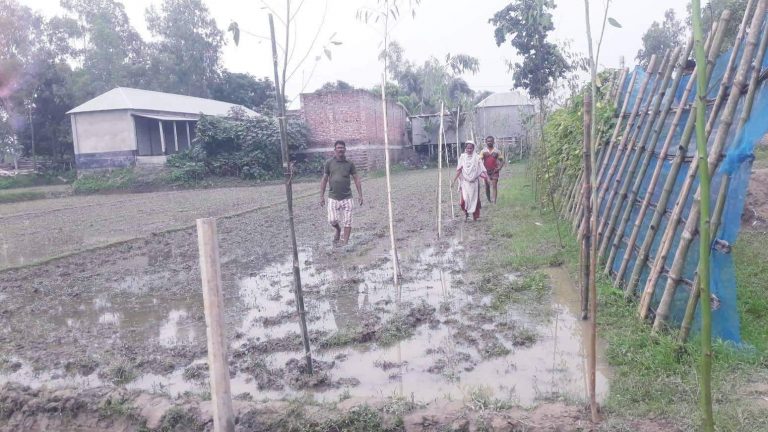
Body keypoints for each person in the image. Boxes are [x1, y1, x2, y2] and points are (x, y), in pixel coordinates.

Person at [320, 140, 363, 246]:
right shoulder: (329, 163)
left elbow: (356, 178)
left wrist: (360, 195)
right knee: (332, 220)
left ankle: (345, 243)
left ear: (345, 150)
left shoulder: (350, 164)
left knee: (348, 221)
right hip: (333, 197)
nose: (340, 149)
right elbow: (324, 179)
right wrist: (321, 196)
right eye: (338, 148)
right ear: (334, 150)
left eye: (342, 148)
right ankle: (338, 230)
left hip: (347, 197)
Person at [452, 140, 487, 221]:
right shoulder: (462, 157)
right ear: (466, 148)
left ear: (473, 148)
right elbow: (459, 170)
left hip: (474, 183)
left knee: (475, 200)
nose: (469, 150)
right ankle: (466, 215)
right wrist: (454, 180)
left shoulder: (477, 157)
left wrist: (487, 178)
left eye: (471, 148)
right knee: (464, 200)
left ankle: (475, 217)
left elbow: (482, 169)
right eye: (468, 148)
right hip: (465, 183)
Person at [480, 136, 505, 204]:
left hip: (495, 171)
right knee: (487, 187)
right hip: (486, 172)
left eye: (491, 141)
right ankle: (489, 200)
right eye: (488, 141)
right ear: (486, 142)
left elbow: (502, 160)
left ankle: (494, 202)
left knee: (494, 186)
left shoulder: (497, 151)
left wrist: (499, 168)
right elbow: (479, 160)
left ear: (493, 142)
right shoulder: (483, 151)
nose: (489, 142)